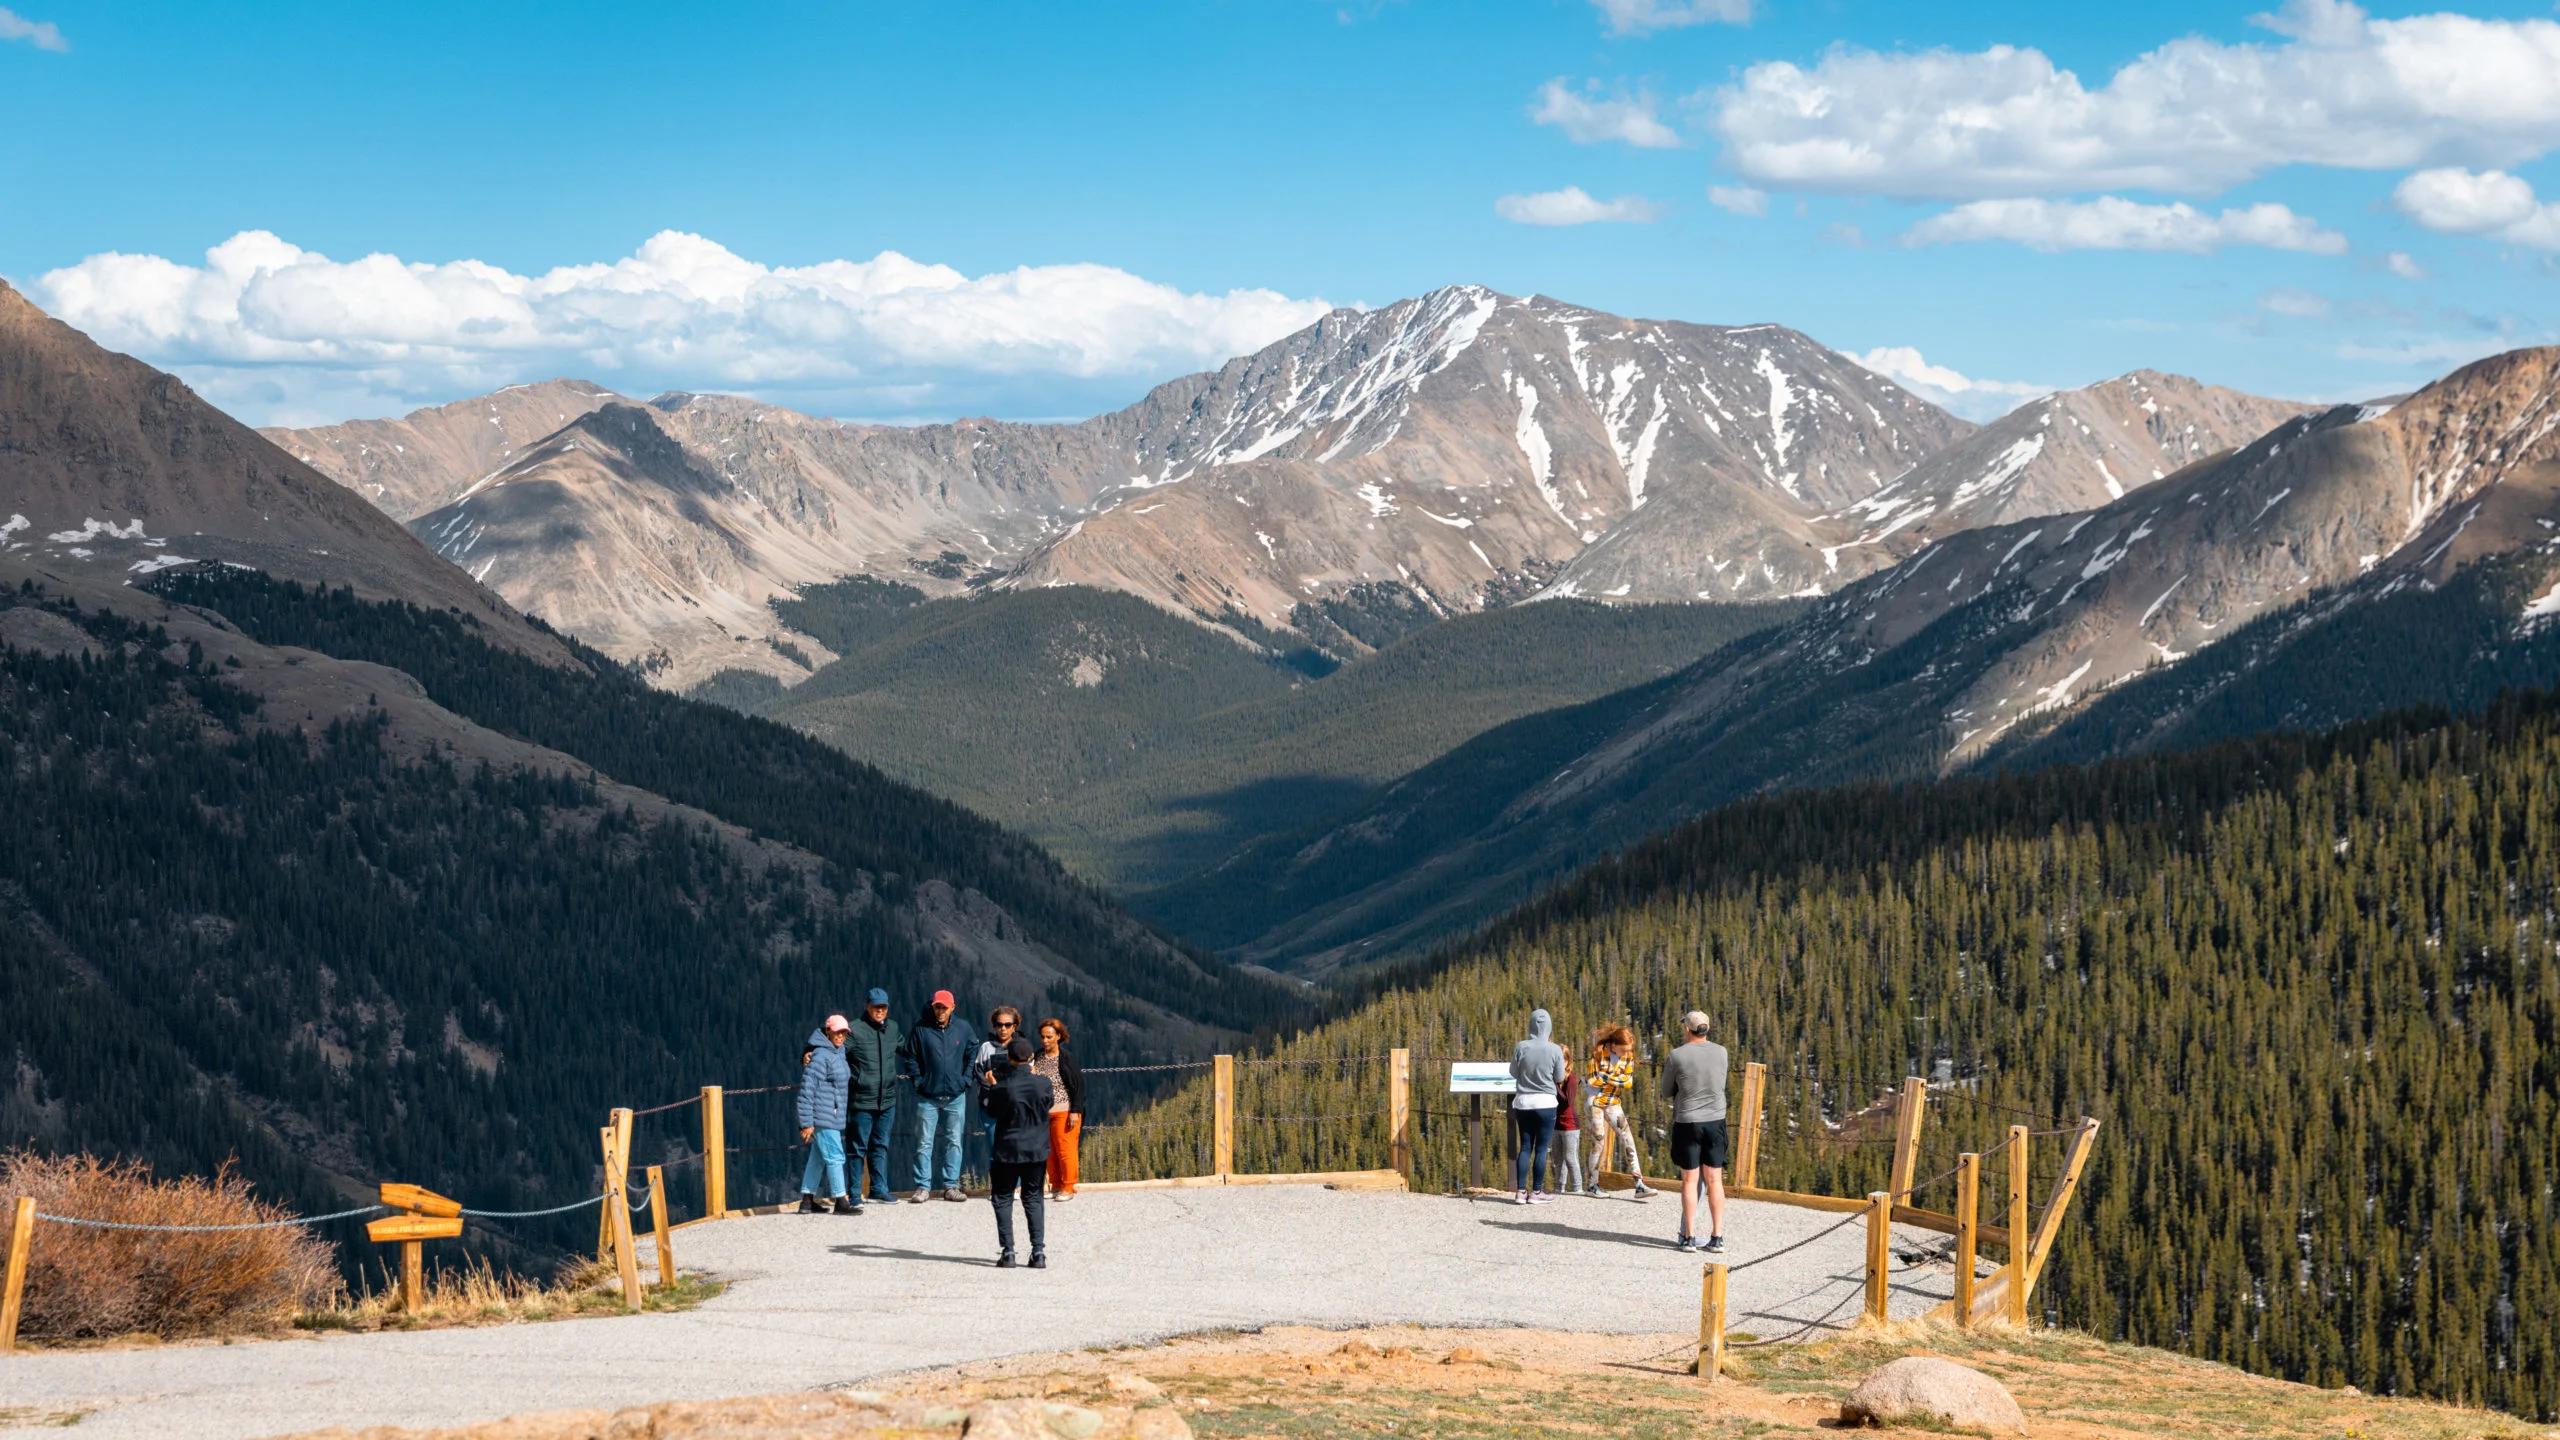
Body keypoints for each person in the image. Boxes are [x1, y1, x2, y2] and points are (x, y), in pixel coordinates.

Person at [979, 1033, 1055, 1268]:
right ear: (1031, 1058)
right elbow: (1049, 1104)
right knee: (1033, 1197)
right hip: (1035, 1150)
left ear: (1010, 1059)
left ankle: (1009, 1251)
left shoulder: (1003, 1087)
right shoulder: (1044, 1084)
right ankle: (1038, 1252)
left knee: (1002, 1197)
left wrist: (992, 1087)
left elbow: (991, 1112)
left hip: (1007, 1150)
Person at [1661, 1009, 1731, 1253]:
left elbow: (1666, 1091)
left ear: (1686, 1029)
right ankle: (1717, 1236)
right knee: (1715, 1180)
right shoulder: (1722, 1052)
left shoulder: (1676, 1055)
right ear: (1707, 1028)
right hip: (1716, 1120)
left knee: (1690, 1180)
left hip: (1688, 1121)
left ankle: (1688, 1237)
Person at [903, 989, 980, 1202]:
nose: (940, 1011)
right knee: (923, 1143)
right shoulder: (920, 1029)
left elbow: (973, 1050)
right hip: (927, 1096)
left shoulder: (963, 1028)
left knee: (954, 1141)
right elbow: (910, 1057)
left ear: (952, 1007)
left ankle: (950, 1186)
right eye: (937, 1006)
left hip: (956, 1095)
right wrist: (918, 1081)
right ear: (933, 1006)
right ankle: (922, 1187)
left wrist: (966, 1079)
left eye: (944, 1007)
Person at [796, 1013, 859, 1215]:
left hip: (832, 1114)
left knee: (818, 1158)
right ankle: (841, 1201)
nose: (841, 1036)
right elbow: (806, 1090)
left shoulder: (837, 1052)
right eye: (837, 1032)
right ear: (827, 1031)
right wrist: (806, 1123)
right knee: (835, 1157)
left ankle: (806, 1201)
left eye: (844, 1033)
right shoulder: (821, 1056)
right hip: (823, 1116)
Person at [845, 987, 903, 1205]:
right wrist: (809, 1052)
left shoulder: (892, 1028)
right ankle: (853, 1194)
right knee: (857, 1149)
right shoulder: (854, 1029)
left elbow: (907, 1048)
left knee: (880, 1145)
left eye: (883, 1006)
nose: (880, 1010)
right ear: (867, 1006)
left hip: (887, 1100)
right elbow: (835, 1048)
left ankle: (878, 1190)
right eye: (876, 1006)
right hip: (860, 1101)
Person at [1586, 1025, 1654, 1198]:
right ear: (1614, 1045)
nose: (1626, 1053)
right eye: (1623, 1049)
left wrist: (1606, 1078)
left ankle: (1639, 1184)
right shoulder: (1598, 1054)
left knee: (1628, 1139)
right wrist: (1617, 1079)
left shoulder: (1628, 1057)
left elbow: (1629, 1082)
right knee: (1599, 1142)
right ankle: (1592, 1185)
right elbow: (1592, 1080)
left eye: (1628, 1050)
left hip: (1613, 1102)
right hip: (1595, 1102)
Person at [1508, 1007, 1566, 1205]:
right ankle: (1537, 1192)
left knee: (1525, 1147)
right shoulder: (1555, 1049)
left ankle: (1520, 1192)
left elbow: (1513, 1072)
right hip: (1545, 1103)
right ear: (1549, 1027)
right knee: (1541, 1149)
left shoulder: (1521, 1046)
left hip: (1523, 1101)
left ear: (1531, 1025)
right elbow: (1559, 1077)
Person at [1031, 1017, 1085, 1200]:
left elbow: (1078, 1086)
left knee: (1065, 1149)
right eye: (1043, 1037)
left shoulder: (1066, 1058)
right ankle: (1055, 1185)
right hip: (1043, 1111)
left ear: (1059, 1036)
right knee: (1049, 1150)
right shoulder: (1037, 1056)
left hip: (1064, 1109)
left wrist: (1075, 1111)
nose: (1045, 1040)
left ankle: (1068, 1187)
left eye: (1049, 1037)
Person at [1553, 1048, 1586, 1199]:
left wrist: (1553, 1086)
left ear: (1568, 1060)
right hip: (1556, 1124)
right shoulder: (1556, 1078)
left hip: (1570, 1125)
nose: (1560, 1062)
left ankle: (1577, 1187)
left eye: (1563, 1059)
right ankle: (1559, 1188)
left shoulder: (1571, 1078)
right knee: (1558, 1159)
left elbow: (1568, 1101)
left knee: (1570, 1157)